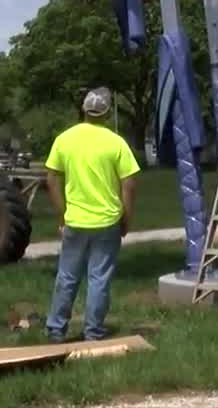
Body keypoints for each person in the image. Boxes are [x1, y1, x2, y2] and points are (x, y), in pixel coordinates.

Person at [44, 87, 140, 342]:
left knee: (67, 275)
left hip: (75, 220)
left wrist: (61, 215)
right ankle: (93, 331)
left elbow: (51, 178)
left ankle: (56, 329)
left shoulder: (65, 139)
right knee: (99, 278)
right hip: (107, 221)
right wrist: (126, 217)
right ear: (107, 112)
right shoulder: (116, 143)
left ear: (84, 110)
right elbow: (129, 183)